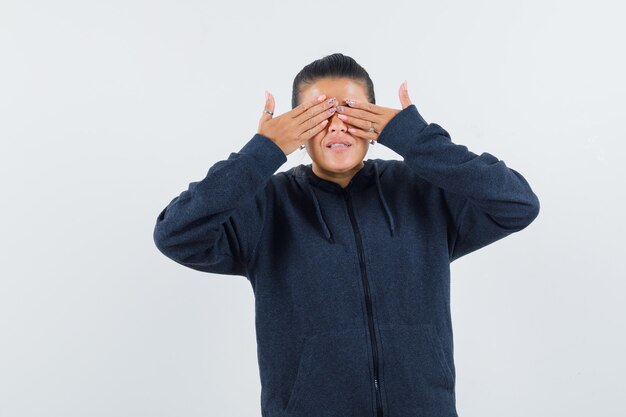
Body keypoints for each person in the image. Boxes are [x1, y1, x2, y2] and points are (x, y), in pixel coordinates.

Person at [152, 52, 540, 417]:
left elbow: (517, 203)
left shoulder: (422, 191)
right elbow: (175, 233)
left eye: (352, 112)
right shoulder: (265, 206)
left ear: (377, 124)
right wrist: (262, 152)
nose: (337, 125)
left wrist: (415, 139)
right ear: (297, 129)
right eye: (319, 114)